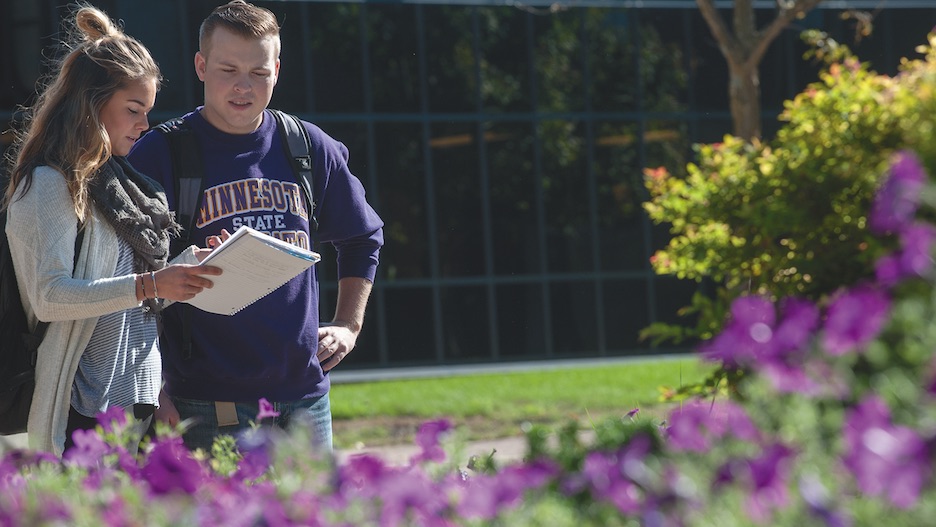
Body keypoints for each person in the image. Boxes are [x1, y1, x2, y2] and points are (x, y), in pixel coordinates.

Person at [128, 0, 384, 452]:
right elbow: (126, 277)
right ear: (201, 66)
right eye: (228, 70)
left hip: (304, 398)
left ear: (277, 70)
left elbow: (362, 236)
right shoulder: (159, 153)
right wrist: (153, 388)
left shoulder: (307, 146)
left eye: (259, 72)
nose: (243, 86)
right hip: (203, 402)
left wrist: (349, 324)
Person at [2, 5, 223, 456]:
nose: (145, 125)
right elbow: (50, 296)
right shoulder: (49, 183)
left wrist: (184, 271)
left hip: (138, 403)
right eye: (134, 109)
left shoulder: (124, 184)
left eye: (148, 110)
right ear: (91, 104)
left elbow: (134, 305)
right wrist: (150, 284)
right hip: (81, 411)